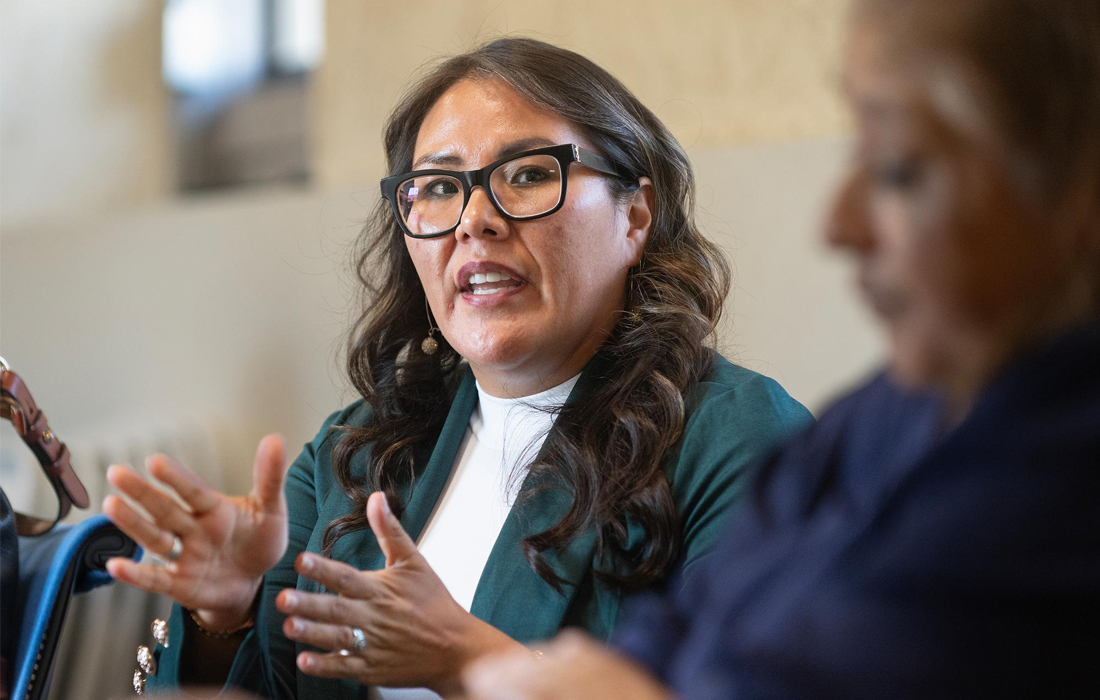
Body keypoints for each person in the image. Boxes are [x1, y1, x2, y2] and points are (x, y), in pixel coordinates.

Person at [103, 38, 812, 698]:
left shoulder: (741, 436)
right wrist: (223, 613)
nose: (475, 219)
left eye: (530, 174)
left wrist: (466, 657)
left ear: (635, 216)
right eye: (438, 188)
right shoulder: (353, 451)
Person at [462, 0, 1100, 698]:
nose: (838, 224)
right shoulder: (890, 412)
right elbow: (688, 620)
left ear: (1078, 187)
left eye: (898, 168)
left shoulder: (1059, 487)